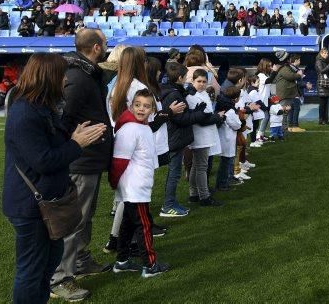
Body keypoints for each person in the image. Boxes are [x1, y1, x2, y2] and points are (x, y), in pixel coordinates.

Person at [4, 54, 105, 304]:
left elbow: (51, 146)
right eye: (62, 75)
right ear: (49, 77)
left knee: (47, 262)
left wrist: (74, 136)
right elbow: (44, 161)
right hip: (31, 206)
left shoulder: (41, 106)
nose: (65, 80)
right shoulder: (25, 112)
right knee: (31, 270)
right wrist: (76, 143)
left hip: (46, 201)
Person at [50, 29, 113, 301]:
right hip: (81, 160)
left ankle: (81, 260)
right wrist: (73, 146)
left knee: (84, 217)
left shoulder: (85, 72)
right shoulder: (77, 76)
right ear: (96, 47)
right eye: (106, 43)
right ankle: (60, 278)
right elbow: (64, 118)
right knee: (75, 220)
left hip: (90, 158)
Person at [109, 89, 169, 278]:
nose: (141, 109)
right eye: (138, 105)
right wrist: (114, 182)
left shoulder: (142, 127)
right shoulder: (129, 129)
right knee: (143, 226)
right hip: (134, 188)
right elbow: (119, 160)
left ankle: (122, 260)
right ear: (131, 105)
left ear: (152, 109)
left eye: (146, 106)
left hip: (138, 186)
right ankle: (150, 265)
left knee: (127, 224)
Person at [159, 62, 210, 217]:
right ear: (180, 77)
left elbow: (181, 114)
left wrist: (195, 111)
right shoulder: (174, 93)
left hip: (176, 136)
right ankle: (168, 205)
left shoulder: (174, 91)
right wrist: (199, 114)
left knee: (175, 172)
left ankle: (171, 202)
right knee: (174, 173)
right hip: (176, 137)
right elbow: (180, 119)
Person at [185, 69, 225, 207]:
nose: (201, 84)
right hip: (200, 135)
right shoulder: (191, 96)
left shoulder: (203, 94)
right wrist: (218, 117)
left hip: (206, 134)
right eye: (199, 81)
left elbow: (206, 114)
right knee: (201, 166)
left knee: (197, 166)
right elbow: (201, 119)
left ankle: (194, 194)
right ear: (192, 81)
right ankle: (204, 196)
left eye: (204, 81)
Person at [214, 86, 244, 192]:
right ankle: (222, 184)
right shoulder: (230, 110)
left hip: (224, 137)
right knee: (226, 163)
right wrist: (240, 122)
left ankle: (223, 182)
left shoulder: (223, 106)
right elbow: (236, 125)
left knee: (225, 161)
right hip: (227, 138)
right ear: (235, 98)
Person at [275, 53, 307, 132]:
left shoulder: (285, 67)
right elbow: (291, 76)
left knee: (286, 111)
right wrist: (299, 74)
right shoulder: (284, 68)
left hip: (288, 93)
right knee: (284, 112)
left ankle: (284, 129)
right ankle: (282, 130)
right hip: (285, 93)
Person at [315, 48, 329, 125]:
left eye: (327, 53)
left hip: (326, 83)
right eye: (324, 53)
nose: (326, 55)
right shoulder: (318, 61)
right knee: (322, 103)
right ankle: (321, 120)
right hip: (322, 84)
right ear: (321, 54)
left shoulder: (325, 61)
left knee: (325, 103)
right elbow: (321, 71)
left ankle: (324, 119)